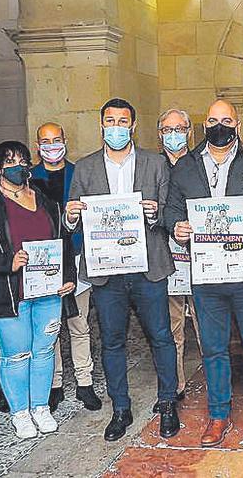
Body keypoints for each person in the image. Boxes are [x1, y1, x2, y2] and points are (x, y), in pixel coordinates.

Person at [166, 100, 243, 447]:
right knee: (214, 348)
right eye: (214, 120)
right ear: (204, 125)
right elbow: (172, 208)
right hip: (206, 273)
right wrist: (177, 226)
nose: (221, 126)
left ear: (237, 125)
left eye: (227, 120)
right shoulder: (185, 167)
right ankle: (218, 415)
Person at [64, 98, 181, 441]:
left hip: (148, 268)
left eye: (122, 121)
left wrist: (154, 213)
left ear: (132, 126)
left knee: (161, 336)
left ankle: (168, 402)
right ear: (102, 125)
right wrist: (71, 217)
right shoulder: (84, 168)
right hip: (107, 271)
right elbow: (71, 219)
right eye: (110, 121)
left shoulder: (155, 163)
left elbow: (167, 212)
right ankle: (120, 408)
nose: (116, 127)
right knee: (112, 341)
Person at [0, 141, 79, 440]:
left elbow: (63, 242)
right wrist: (7, 262)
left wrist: (68, 276)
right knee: (16, 355)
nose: (17, 167)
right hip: (8, 293)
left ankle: (40, 407)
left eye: (22, 161)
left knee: (43, 351)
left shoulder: (47, 201)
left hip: (47, 292)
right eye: (9, 162)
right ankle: (20, 412)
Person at [28, 121, 102, 413]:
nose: (51, 145)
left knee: (79, 323)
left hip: (77, 256)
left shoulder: (79, 173)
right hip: (43, 263)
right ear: (38, 146)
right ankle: (54, 383)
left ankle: (85, 382)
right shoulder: (30, 178)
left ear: (65, 140)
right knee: (51, 326)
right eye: (45, 141)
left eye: (56, 139)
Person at [159, 108, 202, 400]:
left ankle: (217, 385)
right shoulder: (150, 165)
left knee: (207, 325)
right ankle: (176, 386)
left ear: (189, 131)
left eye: (179, 129)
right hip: (166, 258)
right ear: (159, 133)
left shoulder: (202, 162)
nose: (174, 135)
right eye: (167, 129)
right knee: (172, 326)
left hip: (201, 257)